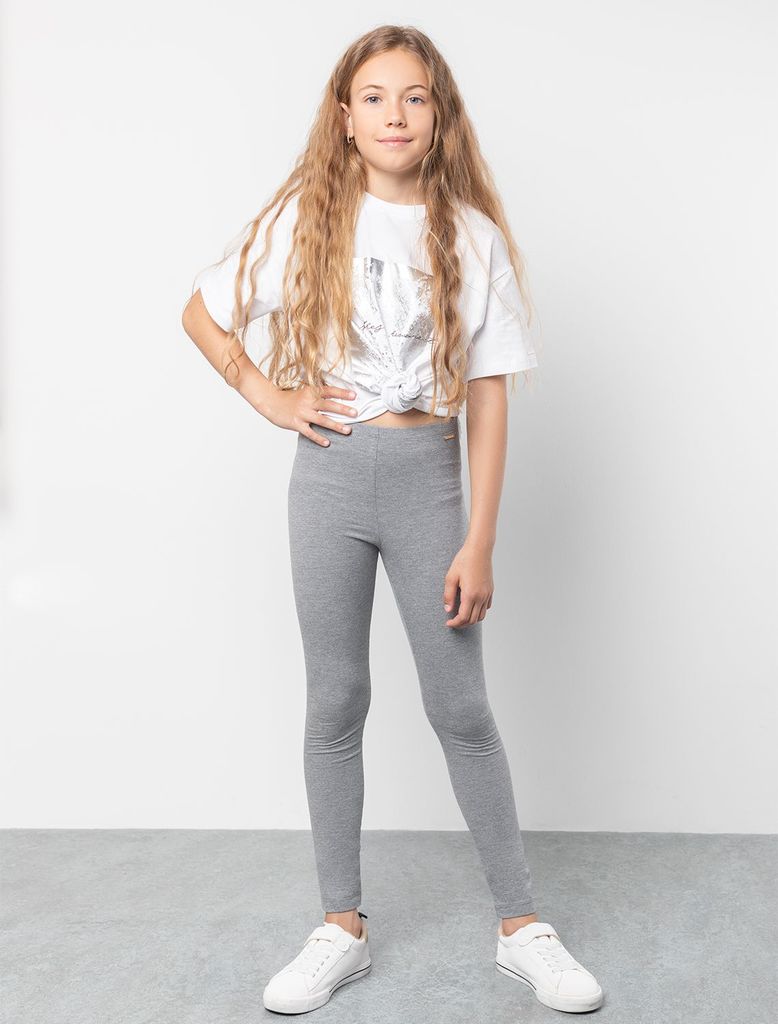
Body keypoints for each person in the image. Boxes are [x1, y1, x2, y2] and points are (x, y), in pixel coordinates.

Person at [182, 24, 603, 1017]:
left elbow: (489, 398)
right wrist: (269, 396)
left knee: (460, 707)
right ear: (344, 117)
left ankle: (521, 927)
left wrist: (478, 539)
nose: (394, 114)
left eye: (414, 96)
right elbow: (202, 311)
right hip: (328, 479)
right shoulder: (305, 217)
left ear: (439, 115)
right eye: (373, 97)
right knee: (335, 698)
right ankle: (341, 926)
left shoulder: (472, 237)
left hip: (429, 484)